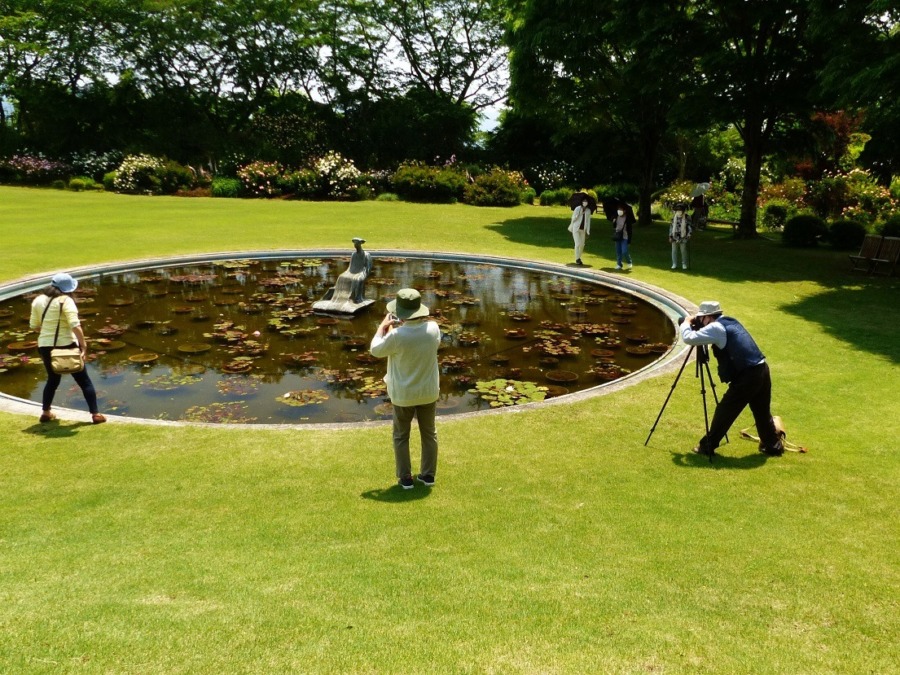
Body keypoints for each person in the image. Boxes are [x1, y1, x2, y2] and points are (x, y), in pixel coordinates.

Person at [680, 301, 783, 457]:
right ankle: (773, 446)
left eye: (701, 318)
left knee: (725, 410)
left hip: (748, 375)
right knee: (761, 411)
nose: (700, 321)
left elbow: (689, 338)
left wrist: (686, 323)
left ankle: (707, 446)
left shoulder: (715, 328)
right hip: (762, 369)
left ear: (708, 317)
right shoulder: (730, 321)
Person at [369, 288, 441, 489]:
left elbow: (375, 349)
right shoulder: (433, 328)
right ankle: (428, 476)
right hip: (427, 392)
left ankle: (405, 478)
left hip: (403, 395)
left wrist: (382, 327)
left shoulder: (396, 335)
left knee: (401, 436)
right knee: (429, 434)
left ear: (399, 313)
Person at [29, 272, 106, 424]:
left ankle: (46, 412)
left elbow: (34, 326)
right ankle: (95, 414)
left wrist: (49, 331)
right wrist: (83, 345)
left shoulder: (38, 300)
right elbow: (75, 325)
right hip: (67, 345)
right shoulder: (66, 301)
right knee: (84, 380)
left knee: (52, 380)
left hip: (46, 346)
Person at [610, 202, 635, 270]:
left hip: (625, 237)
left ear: (624, 210)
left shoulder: (627, 219)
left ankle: (629, 262)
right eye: (618, 209)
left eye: (621, 209)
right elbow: (614, 226)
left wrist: (629, 241)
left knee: (624, 251)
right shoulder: (616, 216)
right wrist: (614, 221)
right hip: (618, 236)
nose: (619, 211)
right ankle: (619, 264)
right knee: (618, 251)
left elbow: (630, 230)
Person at [567, 198, 592, 265]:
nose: (585, 202)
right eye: (584, 201)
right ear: (582, 202)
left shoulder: (588, 210)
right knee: (577, 244)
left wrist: (588, 231)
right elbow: (573, 219)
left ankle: (579, 257)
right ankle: (577, 259)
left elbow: (588, 221)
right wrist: (578, 215)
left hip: (583, 230)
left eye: (586, 201)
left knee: (582, 245)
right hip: (576, 229)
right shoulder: (578, 208)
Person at [669, 203, 692, 270]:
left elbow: (689, 226)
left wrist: (689, 234)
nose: (679, 211)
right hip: (674, 235)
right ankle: (674, 264)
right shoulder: (674, 217)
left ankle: (684, 264)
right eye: (677, 210)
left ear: (683, 210)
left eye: (680, 210)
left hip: (683, 236)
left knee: (683, 251)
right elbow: (671, 227)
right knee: (674, 251)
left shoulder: (687, 217)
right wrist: (670, 236)